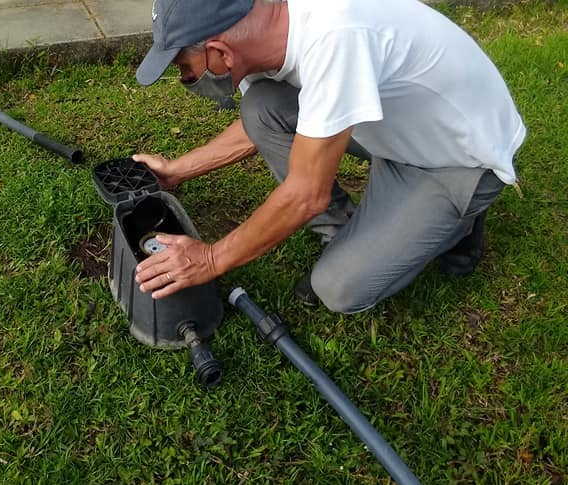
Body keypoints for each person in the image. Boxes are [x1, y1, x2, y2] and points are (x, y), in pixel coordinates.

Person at [132, 0, 526, 313]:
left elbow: (307, 194)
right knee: (261, 106)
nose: (187, 80)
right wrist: (178, 169)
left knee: (338, 288)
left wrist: (211, 260)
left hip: (454, 158)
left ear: (221, 51)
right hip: (394, 127)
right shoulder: (266, 31)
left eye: (186, 69)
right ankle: (344, 234)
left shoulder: (336, 35)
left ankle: (460, 223)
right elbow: (257, 125)